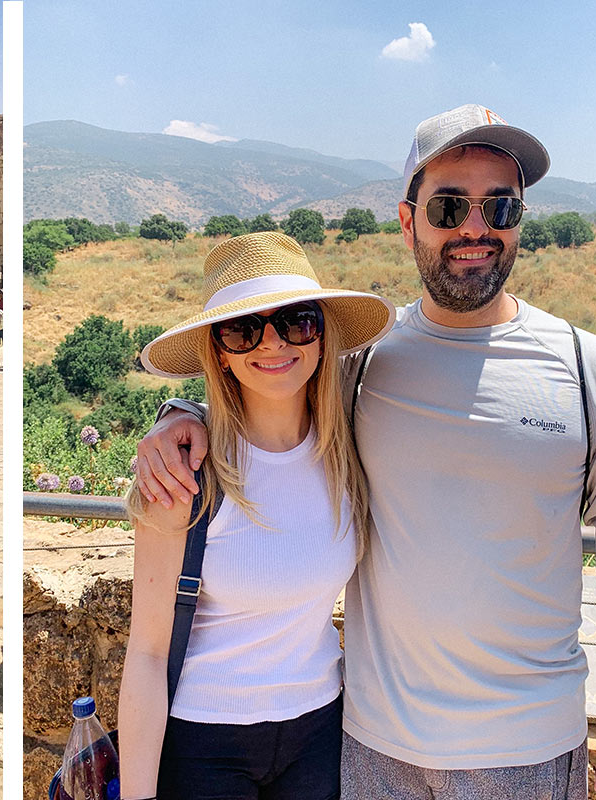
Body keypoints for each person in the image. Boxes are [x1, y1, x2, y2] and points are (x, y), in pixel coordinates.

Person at [136, 104, 596, 800]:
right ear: (407, 219)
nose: (474, 228)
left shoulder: (587, 368)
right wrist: (179, 417)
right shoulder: (362, 367)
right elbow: (269, 393)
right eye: (450, 206)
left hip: (529, 749)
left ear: (519, 219)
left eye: (498, 206)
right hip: (370, 747)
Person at [119, 233, 392, 800]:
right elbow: (145, 653)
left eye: (296, 321)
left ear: (322, 335)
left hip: (320, 729)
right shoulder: (186, 473)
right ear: (218, 351)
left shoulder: (348, 451)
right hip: (207, 743)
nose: (271, 343)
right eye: (242, 329)